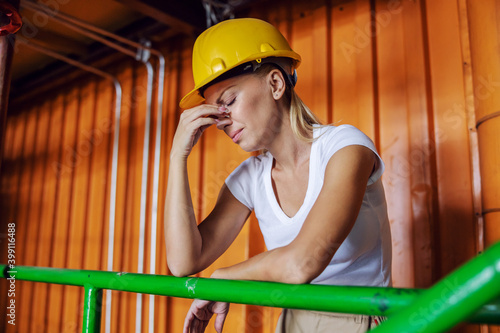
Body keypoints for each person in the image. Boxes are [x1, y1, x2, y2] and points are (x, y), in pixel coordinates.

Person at [164, 18, 392, 333]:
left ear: (275, 84)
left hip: (362, 320)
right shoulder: (249, 178)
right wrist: (178, 157)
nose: (222, 121)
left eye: (229, 101)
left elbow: (303, 263)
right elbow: (183, 263)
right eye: (215, 112)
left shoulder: (345, 147)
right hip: (291, 322)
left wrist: (224, 278)